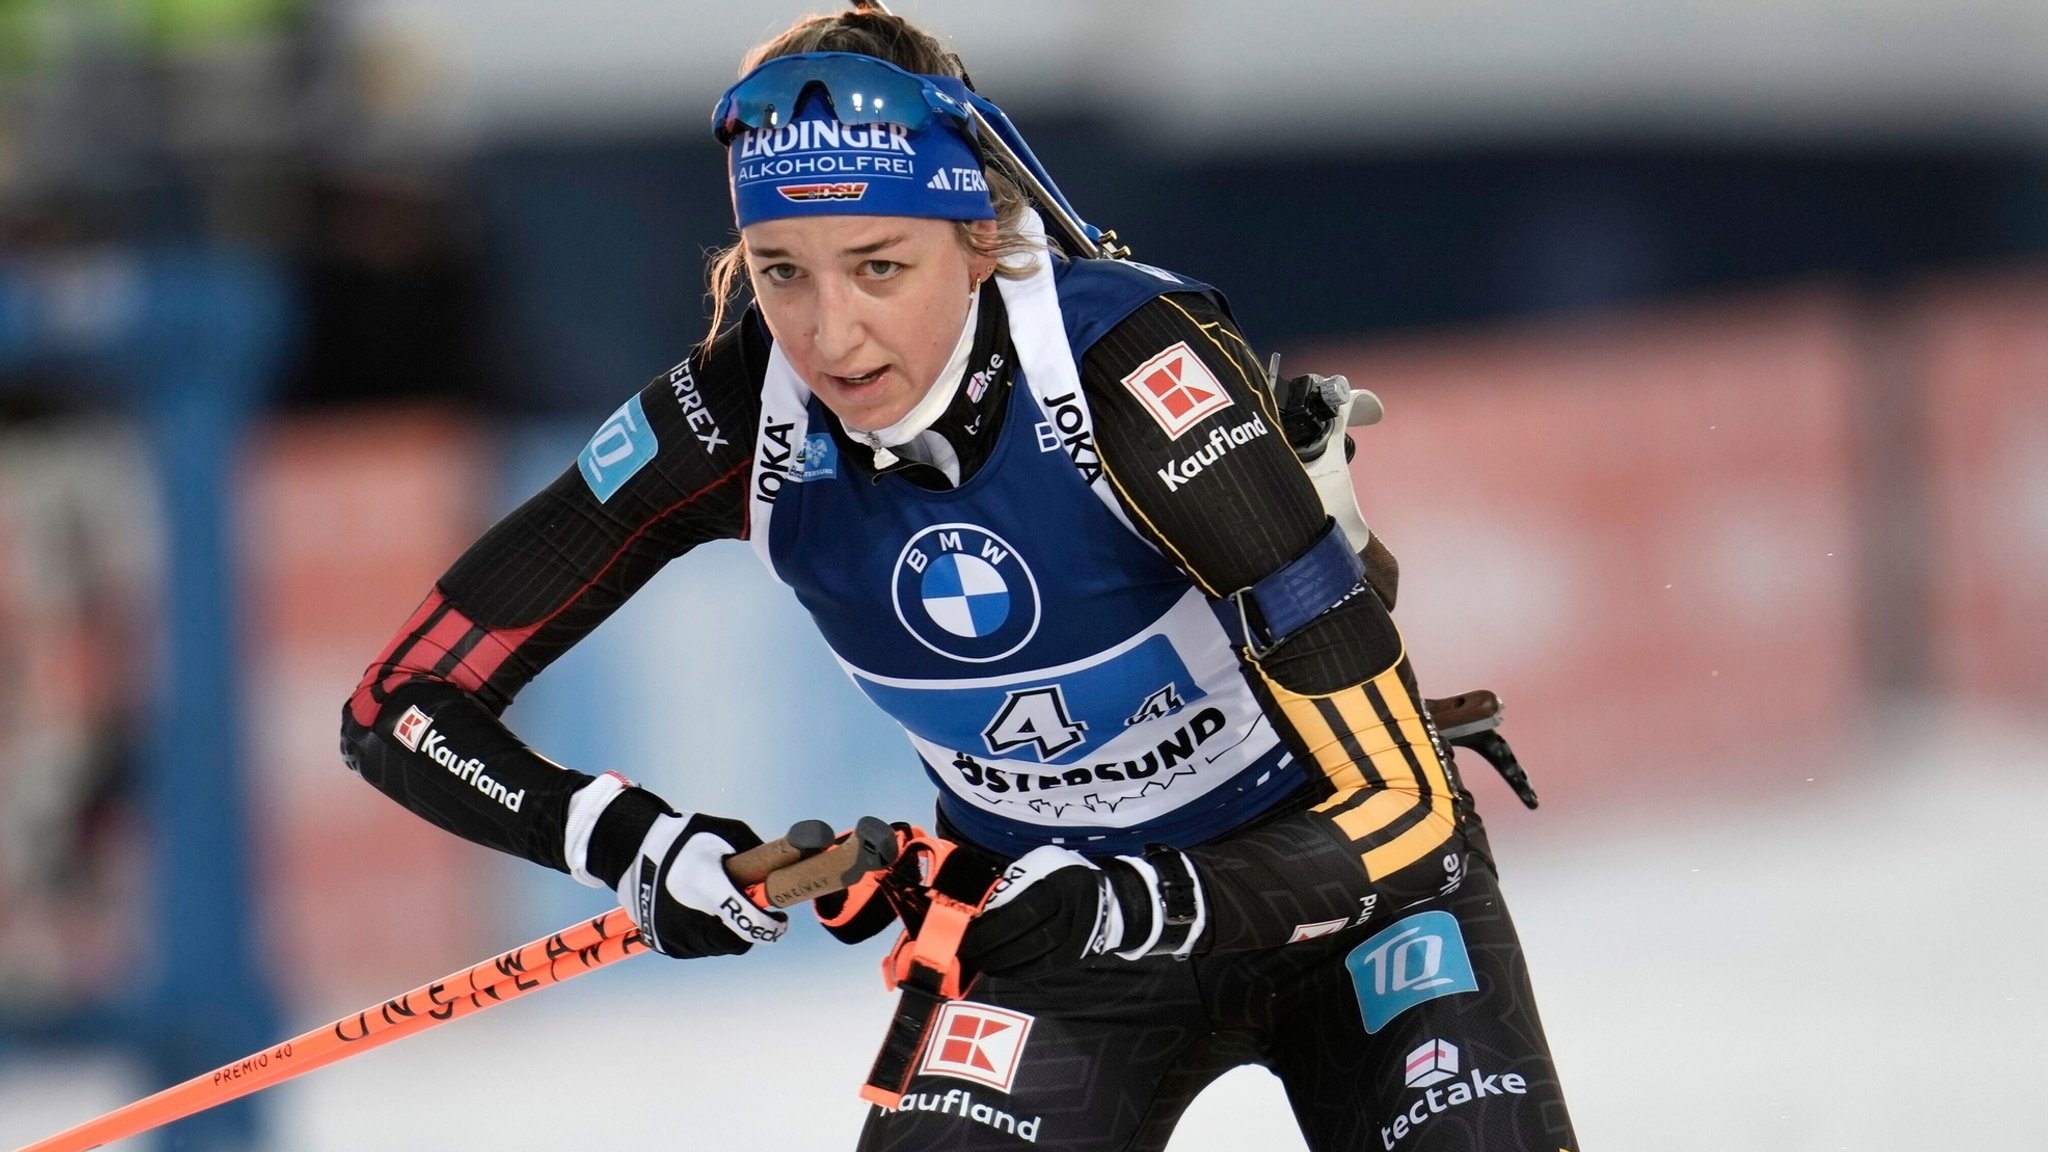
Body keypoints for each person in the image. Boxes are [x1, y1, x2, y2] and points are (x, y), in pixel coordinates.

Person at [339, 8, 1578, 1150]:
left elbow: (1400, 803)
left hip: (1342, 895)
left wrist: (1137, 900)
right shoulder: (731, 418)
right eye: (782, 272)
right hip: (1053, 939)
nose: (829, 335)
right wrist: (638, 846)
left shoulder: (1128, 373)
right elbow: (398, 706)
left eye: (879, 267)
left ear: (976, 241)